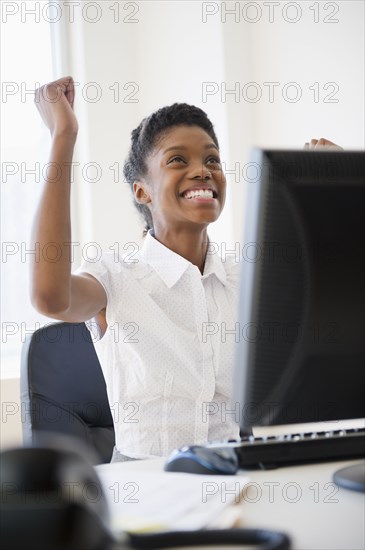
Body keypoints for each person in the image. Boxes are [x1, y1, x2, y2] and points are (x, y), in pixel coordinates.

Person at [32, 76, 341, 461]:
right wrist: (63, 135)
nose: (202, 170)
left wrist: (332, 194)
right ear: (141, 190)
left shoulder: (246, 278)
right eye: (178, 160)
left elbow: (335, 306)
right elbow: (50, 296)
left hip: (235, 475)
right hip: (145, 486)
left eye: (212, 159)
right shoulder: (115, 276)